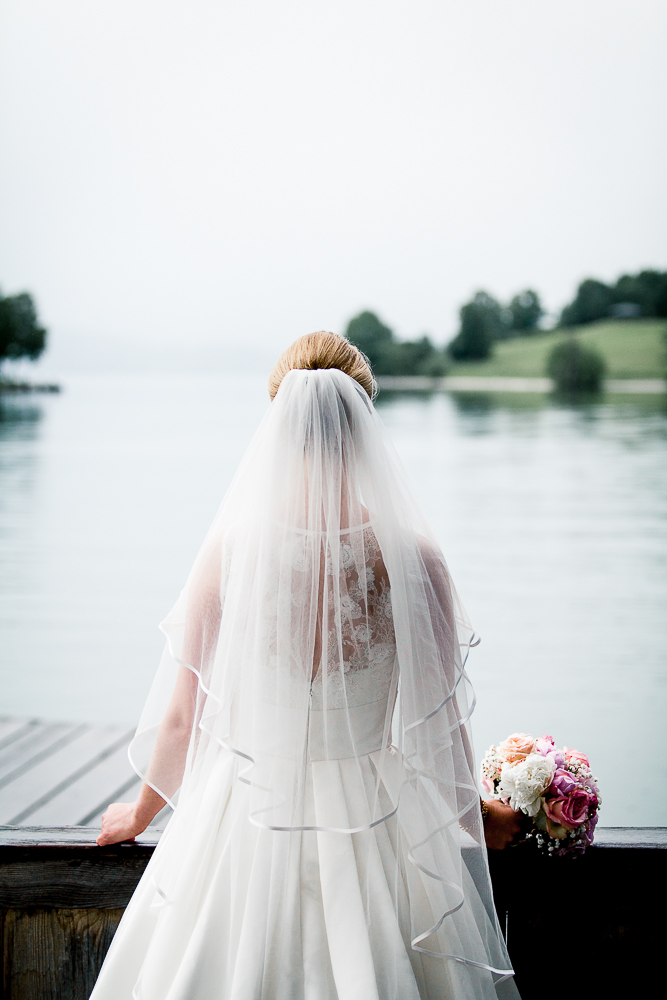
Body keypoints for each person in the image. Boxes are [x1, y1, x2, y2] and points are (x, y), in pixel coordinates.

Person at [92, 332, 521, 1000]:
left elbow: (182, 719)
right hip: (381, 818)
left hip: (244, 810)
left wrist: (142, 814)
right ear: (364, 425)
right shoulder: (412, 559)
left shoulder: (232, 553)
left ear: (279, 430)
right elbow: (439, 730)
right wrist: (483, 819)